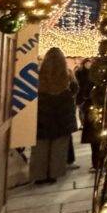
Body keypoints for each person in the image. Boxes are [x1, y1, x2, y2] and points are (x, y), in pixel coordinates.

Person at [32, 47, 78, 183]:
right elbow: (75, 89)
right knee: (58, 148)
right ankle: (54, 174)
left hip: (42, 115)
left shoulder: (39, 74)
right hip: (62, 116)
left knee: (40, 147)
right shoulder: (67, 74)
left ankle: (39, 175)